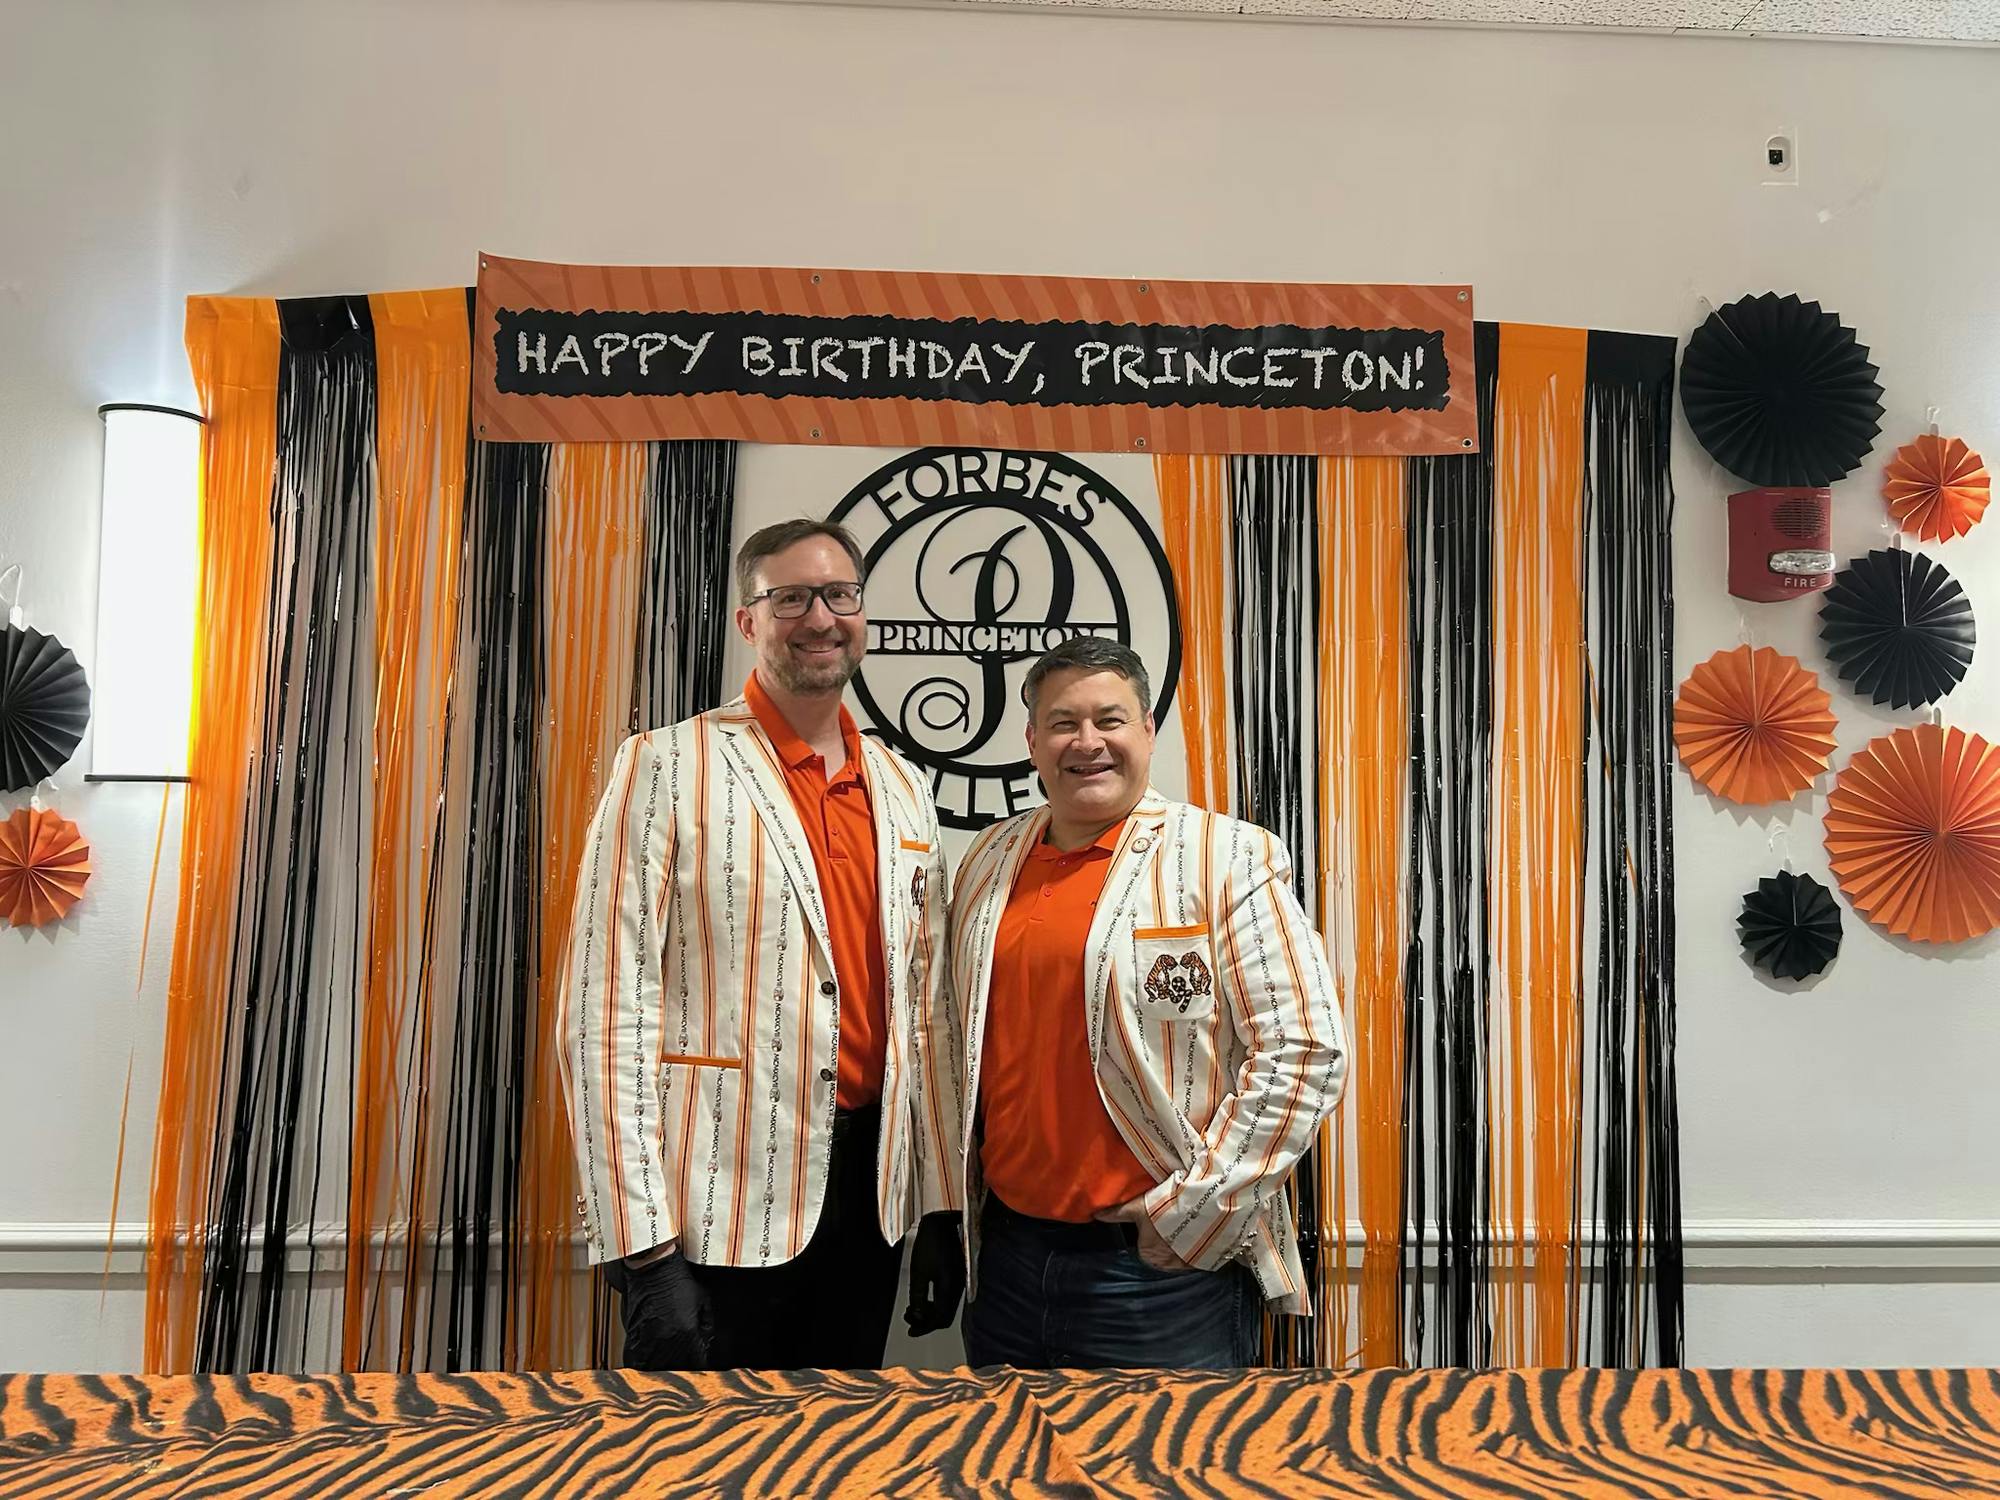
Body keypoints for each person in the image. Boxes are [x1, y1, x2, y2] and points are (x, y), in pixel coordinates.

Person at [556, 517, 965, 1371]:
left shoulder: (901, 785)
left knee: (830, 1457)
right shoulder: (666, 765)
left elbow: (927, 1018)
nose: (821, 617)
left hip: (869, 1206)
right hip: (713, 1210)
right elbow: (603, 1012)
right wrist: (643, 1249)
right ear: (749, 620)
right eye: (791, 599)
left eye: (840, 595)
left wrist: (939, 1207)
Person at [945, 636, 1347, 1368]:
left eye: (1110, 719)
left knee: (1159, 1480)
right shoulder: (987, 858)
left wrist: (1193, 1213)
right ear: (1032, 741)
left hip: (1157, 1274)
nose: (1087, 742)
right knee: (1003, 1479)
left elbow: (1305, 1049)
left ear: (1148, 731)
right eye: (1063, 723)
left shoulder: (1223, 857)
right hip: (1007, 1262)